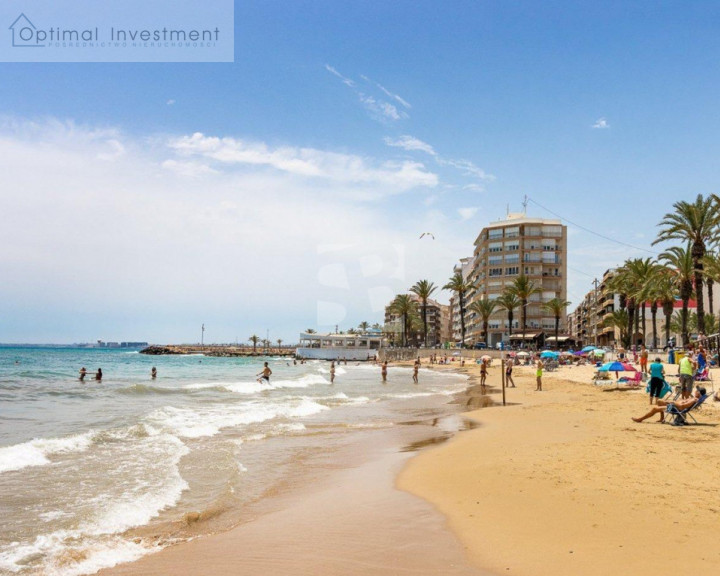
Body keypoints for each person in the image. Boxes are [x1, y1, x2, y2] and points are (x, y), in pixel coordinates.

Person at [632, 386, 706, 423]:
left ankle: (640, 419)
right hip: (675, 405)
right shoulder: (693, 398)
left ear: (699, 393)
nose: (695, 391)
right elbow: (683, 403)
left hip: (676, 408)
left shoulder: (694, 399)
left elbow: (682, 406)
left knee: (654, 409)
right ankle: (662, 419)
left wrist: (674, 403)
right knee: (659, 401)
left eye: (697, 390)